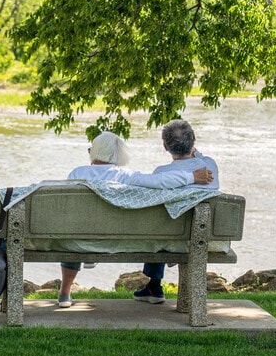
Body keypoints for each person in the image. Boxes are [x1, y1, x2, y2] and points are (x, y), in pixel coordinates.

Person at [57, 131, 214, 308]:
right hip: (120, 242)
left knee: (73, 227)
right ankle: (155, 285)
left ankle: (64, 293)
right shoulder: (126, 176)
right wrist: (192, 176)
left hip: (80, 241)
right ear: (119, 155)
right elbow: (161, 181)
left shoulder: (77, 173)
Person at [133, 119, 220, 304]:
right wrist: (195, 151)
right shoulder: (209, 167)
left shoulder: (161, 172)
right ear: (193, 142)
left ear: (165, 146)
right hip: (204, 239)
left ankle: (154, 285)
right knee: (172, 224)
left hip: (171, 238)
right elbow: (201, 158)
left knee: (162, 224)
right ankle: (153, 286)